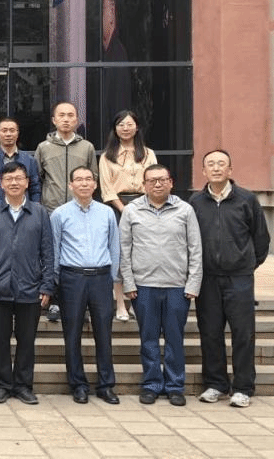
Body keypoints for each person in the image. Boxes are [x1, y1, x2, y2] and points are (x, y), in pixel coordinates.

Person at [190, 150, 270, 408]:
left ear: (230, 170)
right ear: (203, 171)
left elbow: (261, 238)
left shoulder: (246, 199)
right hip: (208, 278)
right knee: (210, 332)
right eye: (211, 164)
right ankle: (216, 384)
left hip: (239, 278)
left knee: (243, 333)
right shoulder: (195, 202)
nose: (216, 168)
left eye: (221, 164)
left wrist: (246, 264)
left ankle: (243, 388)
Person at [120, 164, 202, 407]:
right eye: (152, 180)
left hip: (177, 287)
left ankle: (175, 386)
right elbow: (124, 249)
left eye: (162, 179)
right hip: (143, 287)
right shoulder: (131, 211)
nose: (157, 184)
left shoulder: (185, 210)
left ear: (171, 182)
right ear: (143, 185)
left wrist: (193, 283)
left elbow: (195, 249)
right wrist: (128, 282)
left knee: (175, 339)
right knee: (148, 339)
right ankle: (152, 384)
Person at [0, 161, 55, 406]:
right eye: (9, 179)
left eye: (19, 178)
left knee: (26, 340)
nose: (14, 182)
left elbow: (48, 252)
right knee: (0, 340)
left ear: (27, 182)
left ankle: (23, 386)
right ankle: (1, 385)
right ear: (1, 184)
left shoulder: (39, 212)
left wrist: (47, 285)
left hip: (30, 287)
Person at [51, 166, 121, 405]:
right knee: (72, 334)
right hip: (72, 278)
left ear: (95, 184)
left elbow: (114, 247)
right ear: (70, 185)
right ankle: (78, 384)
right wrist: (56, 281)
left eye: (88, 179)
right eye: (78, 179)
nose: (83, 183)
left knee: (104, 333)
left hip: (101, 278)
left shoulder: (107, 213)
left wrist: (113, 277)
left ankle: (106, 385)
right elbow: (54, 248)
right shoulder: (59, 214)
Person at [35, 101, 97, 322]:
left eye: (71, 115)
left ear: (77, 120)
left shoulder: (87, 147)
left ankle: (81, 304)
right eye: (61, 115)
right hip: (51, 210)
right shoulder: (44, 147)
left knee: (78, 256)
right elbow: (37, 179)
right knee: (52, 257)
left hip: (80, 210)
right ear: (54, 120)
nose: (66, 119)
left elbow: (93, 177)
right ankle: (54, 301)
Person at [99, 110, 157, 321]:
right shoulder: (107, 156)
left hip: (144, 205)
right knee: (119, 254)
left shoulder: (148, 153)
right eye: (121, 124)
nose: (125, 128)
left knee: (141, 253)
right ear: (115, 129)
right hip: (117, 207)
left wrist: (143, 206)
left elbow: (154, 180)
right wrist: (123, 208)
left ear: (137, 127)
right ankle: (120, 304)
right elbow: (106, 188)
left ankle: (136, 302)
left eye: (129, 124)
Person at [0, 117, 41, 212]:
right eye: (4, 130)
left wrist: (35, 209)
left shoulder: (29, 160)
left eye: (12, 130)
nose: (8, 134)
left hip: (23, 211)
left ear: (17, 133)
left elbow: (35, 188)